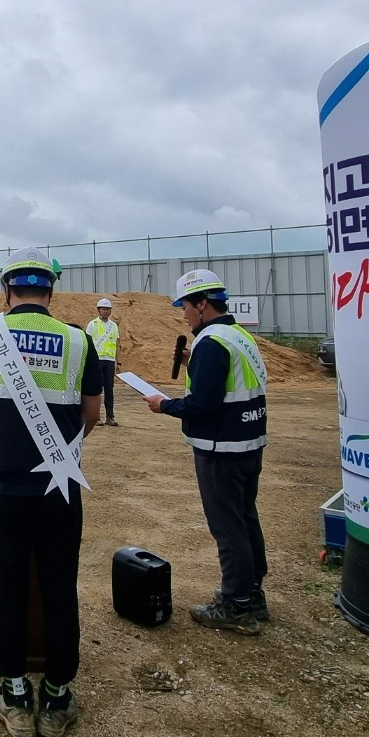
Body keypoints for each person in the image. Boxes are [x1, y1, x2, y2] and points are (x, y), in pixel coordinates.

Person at [0, 248, 101, 737]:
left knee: (9, 583)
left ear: (6, 290)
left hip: (2, 483)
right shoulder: (80, 341)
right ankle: (57, 695)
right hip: (59, 487)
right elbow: (92, 415)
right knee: (60, 584)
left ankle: (15, 694)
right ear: (50, 292)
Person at [144, 269, 270, 636]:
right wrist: (191, 366)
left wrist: (163, 405)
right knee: (246, 519)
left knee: (228, 527)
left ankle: (235, 606)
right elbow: (231, 381)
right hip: (248, 442)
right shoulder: (238, 336)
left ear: (202, 304)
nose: (183, 313)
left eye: (185, 305)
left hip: (221, 448)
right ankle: (252, 595)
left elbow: (204, 404)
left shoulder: (211, 342)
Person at [86, 298, 120, 427]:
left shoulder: (113, 326)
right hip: (96, 360)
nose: (106, 311)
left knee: (109, 389)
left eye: (108, 309)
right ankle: (96, 417)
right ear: (98, 310)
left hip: (109, 361)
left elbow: (117, 344)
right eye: (104, 309)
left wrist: (119, 362)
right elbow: (88, 342)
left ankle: (110, 417)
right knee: (96, 389)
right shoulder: (92, 324)